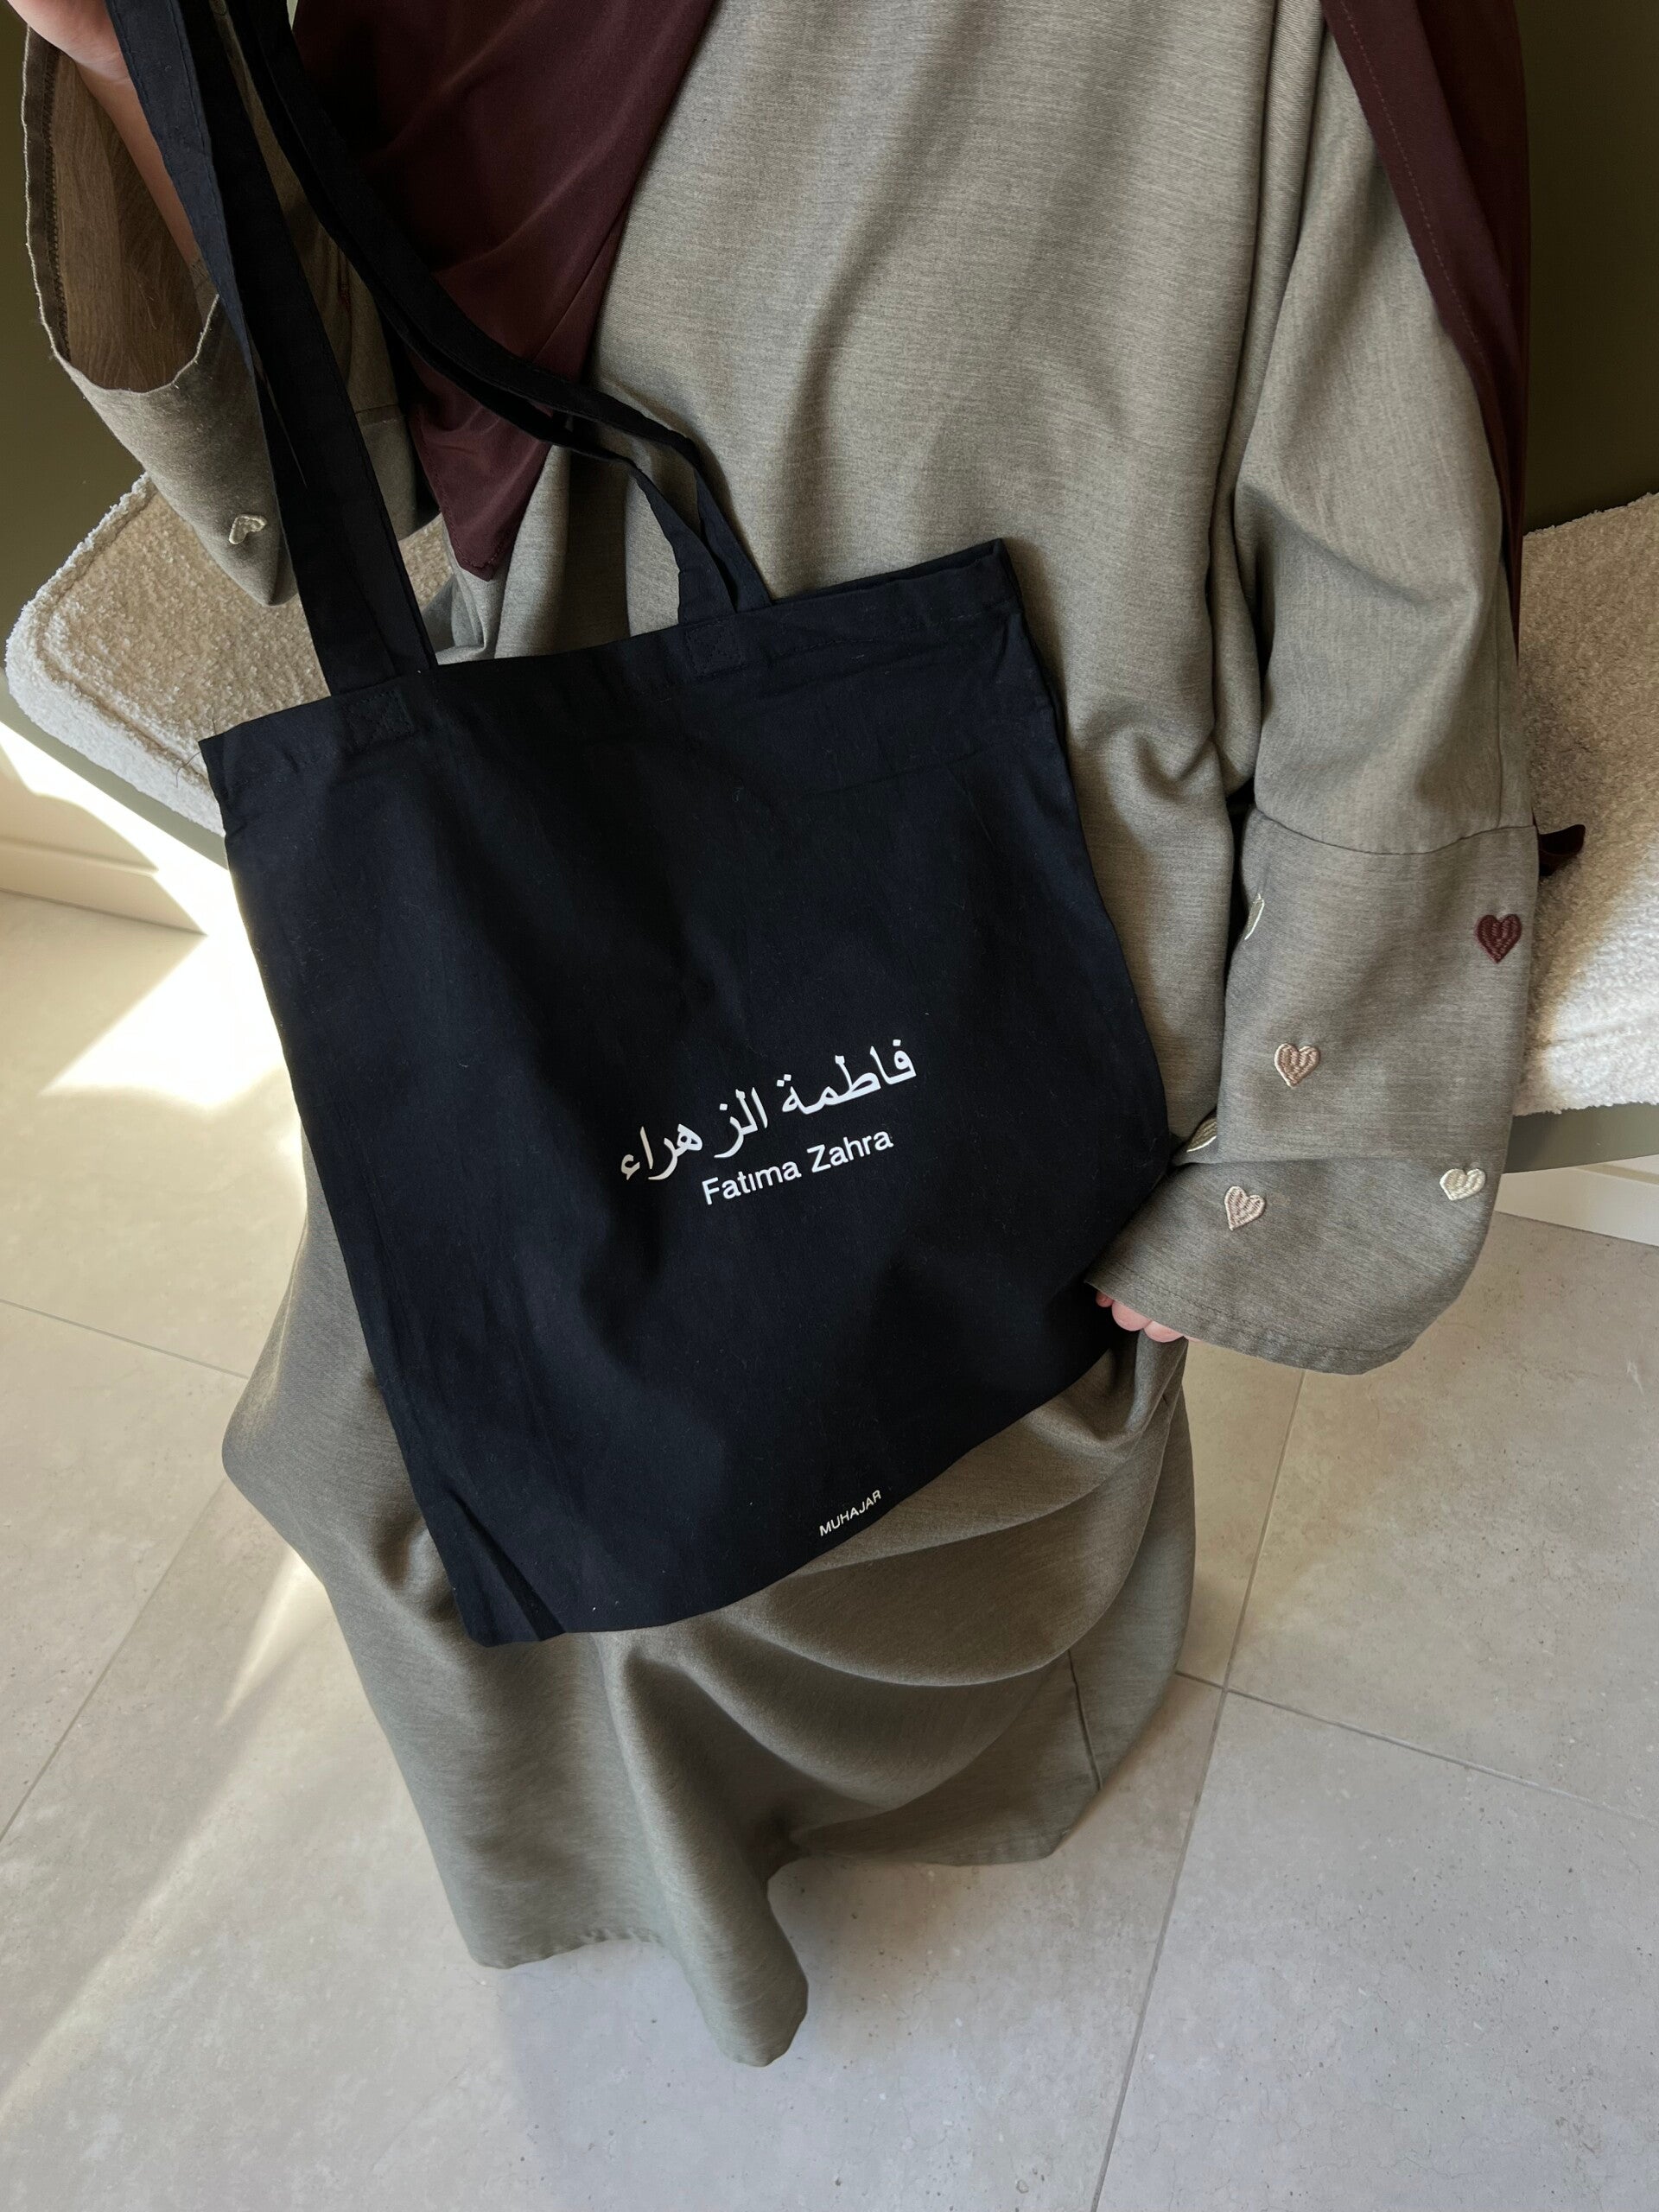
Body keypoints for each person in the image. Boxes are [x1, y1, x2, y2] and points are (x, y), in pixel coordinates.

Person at [9, 0, 1534, 2063]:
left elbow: (1391, 548)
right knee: (422, 1459)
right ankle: (632, 1871)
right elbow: (337, 423)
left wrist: (1293, 1143)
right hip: (559, 799)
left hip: (1023, 853)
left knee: (875, 1469)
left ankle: (931, 1782)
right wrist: (123, 55)